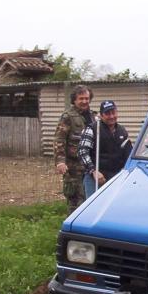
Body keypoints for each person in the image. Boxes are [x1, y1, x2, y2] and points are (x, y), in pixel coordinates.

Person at [78, 100, 133, 198]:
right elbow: (82, 152)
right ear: (101, 115)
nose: (111, 116)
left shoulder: (122, 131)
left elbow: (128, 154)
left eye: (113, 113)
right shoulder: (92, 129)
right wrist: (93, 171)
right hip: (95, 178)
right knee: (93, 208)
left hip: (115, 178)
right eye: (107, 113)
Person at [54, 85, 94, 214]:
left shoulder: (93, 117)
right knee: (75, 199)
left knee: (91, 197)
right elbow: (59, 139)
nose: (84, 101)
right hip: (73, 166)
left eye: (87, 98)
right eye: (81, 98)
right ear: (74, 100)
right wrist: (60, 161)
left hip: (90, 166)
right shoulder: (67, 116)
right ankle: (72, 228)